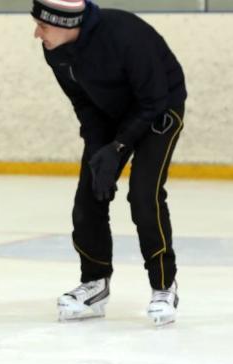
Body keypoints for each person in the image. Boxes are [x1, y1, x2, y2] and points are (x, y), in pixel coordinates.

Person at [32, 0, 187, 326]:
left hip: (159, 109)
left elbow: (154, 100)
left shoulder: (124, 36)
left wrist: (118, 146)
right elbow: (82, 102)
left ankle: (163, 285)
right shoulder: (55, 50)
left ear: (65, 24)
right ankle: (95, 283)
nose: (36, 33)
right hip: (108, 115)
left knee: (144, 196)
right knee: (89, 197)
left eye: (42, 26)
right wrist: (97, 149)